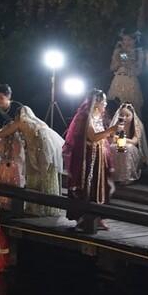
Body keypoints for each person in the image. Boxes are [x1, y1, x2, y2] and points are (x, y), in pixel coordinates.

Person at [0, 83, 65, 218]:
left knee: (35, 172)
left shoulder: (18, 122)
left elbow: (0, 134)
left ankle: (35, 206)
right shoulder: (35, 123)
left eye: (0, 97)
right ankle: (47, 206)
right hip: (44, 144)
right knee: (45, 173)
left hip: (36, 146)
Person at [63, 89, 115, 230]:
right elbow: (93, 137)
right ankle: (83, 217)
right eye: (103, 102)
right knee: (86, 186)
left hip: (98, 157)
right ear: (96, 102)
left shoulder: (97, 115)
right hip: (86, 160)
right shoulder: (85, 116)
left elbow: (101, 136)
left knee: (100, 187)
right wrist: (111, 130)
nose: (105, 104)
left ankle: (98, 217)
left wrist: (111, 136)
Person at [107, 102, 148, 187]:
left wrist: (122, 138)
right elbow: (111, 137)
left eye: (127, 115)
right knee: (112, 148)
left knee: (127, 148)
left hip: (132, 149)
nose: (124, 118)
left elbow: (134, 141)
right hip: (119, 144)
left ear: (133, 115)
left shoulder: (137, 125)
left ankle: (127, 177)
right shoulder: (118, 124)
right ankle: (115, 175)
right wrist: (114, 137)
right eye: (122, 115)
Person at [107, 30, 144, 113]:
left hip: (130, 81)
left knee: (130, 109)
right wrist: (118, 59)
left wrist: (126, 58)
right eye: (124, 40)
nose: (126, 42)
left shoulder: (138, 52)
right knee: (115, 107)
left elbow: (138, 71)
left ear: (134, 40)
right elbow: (112, 68)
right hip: (118, 80)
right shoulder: (118, 51)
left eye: (129, 40)